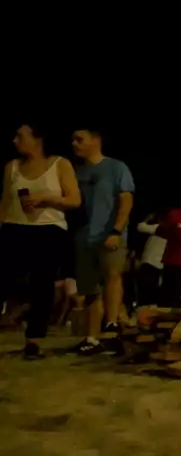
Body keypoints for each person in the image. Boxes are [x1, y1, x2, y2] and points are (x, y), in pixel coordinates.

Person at [0, 124, 81, 359]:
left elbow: (74, 200)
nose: (15, 140)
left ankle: (33, 341)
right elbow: (5, 202)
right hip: (15, 228)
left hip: (48, 229)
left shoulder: (59, 164)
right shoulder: (12, 167)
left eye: (20, 136)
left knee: (42, 286)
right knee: (3, 279)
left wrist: (44, 198)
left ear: (37, 139)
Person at [70, 127, 135, 355]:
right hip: (84, 237)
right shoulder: (77, 172)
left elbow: (126, 201)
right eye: (73, 140)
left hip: (110, 234)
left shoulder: (116, 167)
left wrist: (116, 230)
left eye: (80, 139)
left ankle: (112, 327)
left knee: (112, 277)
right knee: (89, 289)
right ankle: (91, 338)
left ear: (96, 140)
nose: (74, 144)